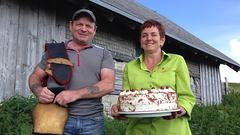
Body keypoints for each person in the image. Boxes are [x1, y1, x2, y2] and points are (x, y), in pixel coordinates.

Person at [29, 9, 115, 135]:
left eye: (88, 26)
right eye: (79, 24)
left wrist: (76, 94)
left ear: (94, 30)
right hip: (54, 117)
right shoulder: (55, 50)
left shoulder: (103, 53)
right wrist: (39, 91)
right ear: (71, 26)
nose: (84, 29)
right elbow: (35, 77)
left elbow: (108, 84)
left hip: (92, 122)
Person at [111, 19, 196, 135]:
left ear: (162, 40)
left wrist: (181, 109)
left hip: (172, 130)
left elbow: (187, 96)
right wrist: (119, 109)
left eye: (154, 34)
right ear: (141, 41)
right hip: (138, 131)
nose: (149, 38)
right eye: (144, 35)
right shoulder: (130, 67)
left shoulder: (177, 61)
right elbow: (127, 98)